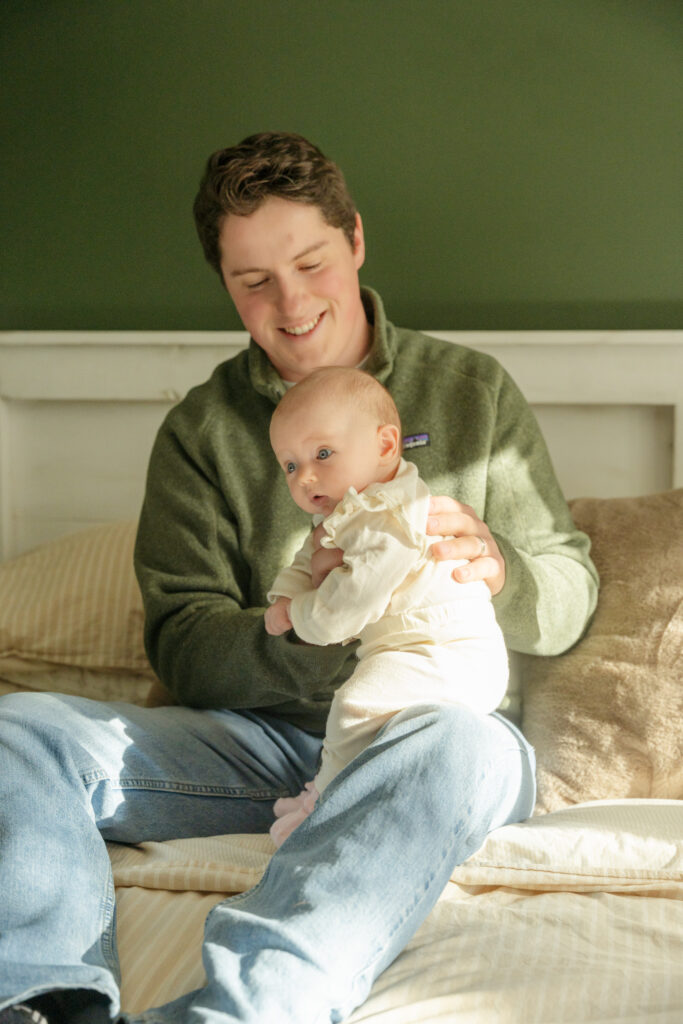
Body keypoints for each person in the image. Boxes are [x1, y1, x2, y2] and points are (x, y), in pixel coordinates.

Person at [0, 131, 598, 1024]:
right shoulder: (201, 433)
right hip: (262, 748)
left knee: (458, 746)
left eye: (311, 262)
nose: (291, 303)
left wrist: (502, 572)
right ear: (227, 287)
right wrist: (322, 623)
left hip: (430, 734)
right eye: (253, 282)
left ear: (354, 240)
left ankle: (244, 1010)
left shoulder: (471, 394)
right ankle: (46, 1001)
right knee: (18, 730)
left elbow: (569, 594)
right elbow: (186, 646)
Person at [264, 365, 509, 845]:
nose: (305, 477)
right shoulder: (350, 511)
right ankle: (339, 794)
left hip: (448, 655)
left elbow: (351, 603)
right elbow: (309, 556)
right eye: (290, 466)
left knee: (357, 705)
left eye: (323, 453)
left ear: (384, 446)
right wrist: (284, 595)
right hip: (414, 653)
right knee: (372, 720)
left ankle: (326, 801)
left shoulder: (390, 517)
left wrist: (299, 614)